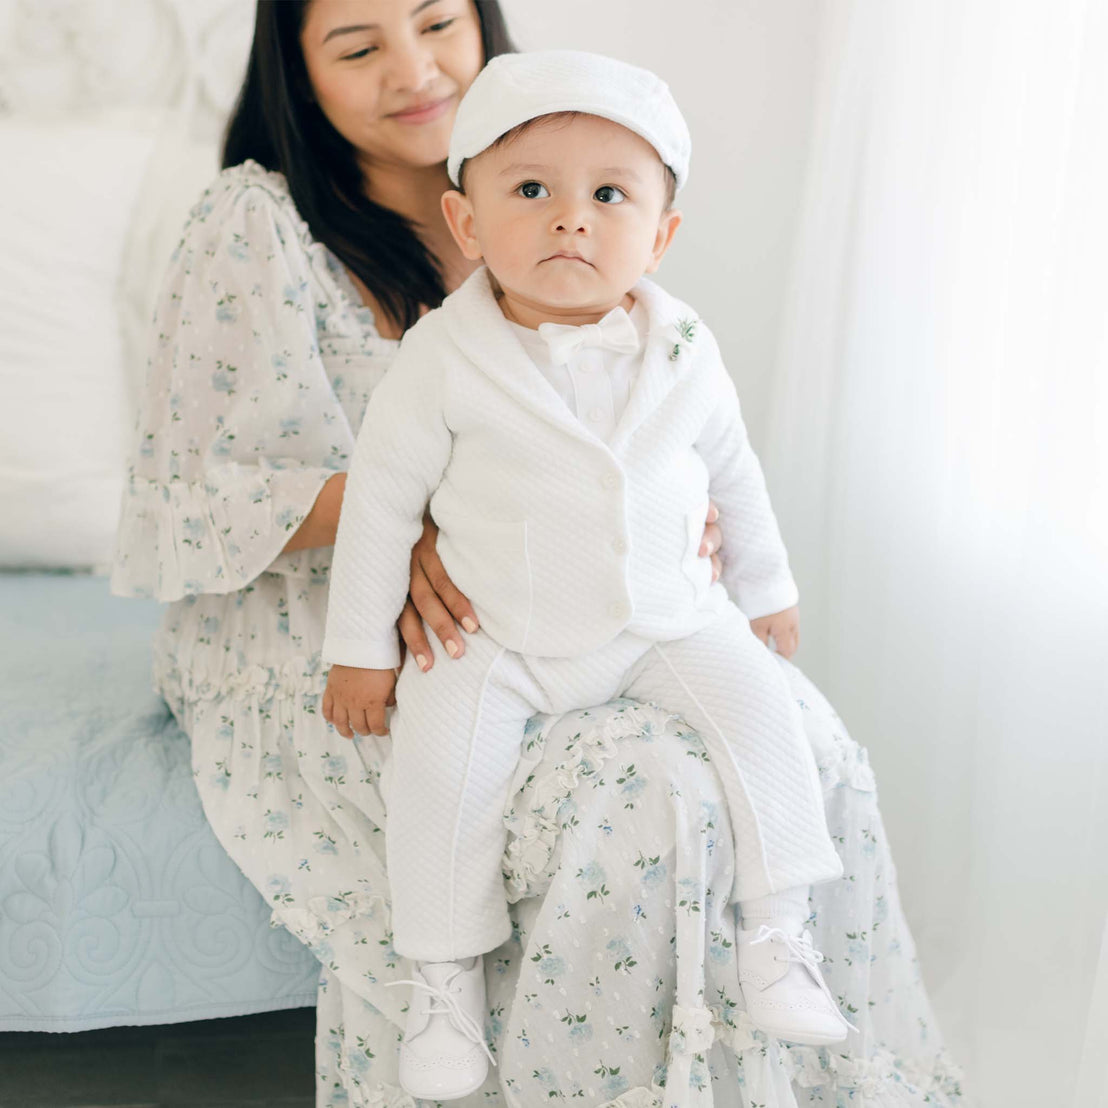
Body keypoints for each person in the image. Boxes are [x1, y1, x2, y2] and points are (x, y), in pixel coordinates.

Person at [113, 2, 967, 1105]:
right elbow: (193, 482)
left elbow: (686, 443)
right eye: (359, 45)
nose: (414, 70)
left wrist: (674, 515)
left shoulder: (596, 203)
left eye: (435, 23)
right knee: (633, 785)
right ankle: (462, 1003)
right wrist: (414, 523)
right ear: (296, 70)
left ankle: (782, 989)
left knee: (790, 727)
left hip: (602, 602)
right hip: (352, 613)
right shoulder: (257, 221)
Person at [321, 50, 853, 1101]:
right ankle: (441, 986)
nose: (571, 219)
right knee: (439, 775)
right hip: (498, 634)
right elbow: (381, 506)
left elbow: (731, 470)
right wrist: (359, 652)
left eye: (609, 196)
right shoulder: (440, 358)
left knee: (767, 716)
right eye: (531, 192)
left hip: (665, 619)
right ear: (468, 225)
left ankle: (779, 932)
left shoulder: (685, 346)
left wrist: (766, 588)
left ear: (659, 234)